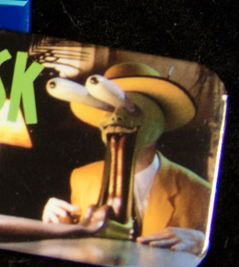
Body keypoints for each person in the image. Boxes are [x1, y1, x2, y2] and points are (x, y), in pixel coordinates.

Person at [42, 62, 212, 255]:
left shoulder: (200, 193)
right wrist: (60, 228)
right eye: (109, 110)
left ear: (158, 122)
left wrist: (203, 243)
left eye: (127, 108)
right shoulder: (81, 178)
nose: (115, 118)